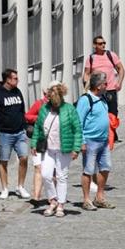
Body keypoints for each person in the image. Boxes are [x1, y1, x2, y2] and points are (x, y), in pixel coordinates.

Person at [30, 83, 81, 217]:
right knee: (46, 174)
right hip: (48, 148)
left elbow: (77, 130)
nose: (52, 102)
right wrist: (34, 144)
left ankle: (61, 205)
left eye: (54, 99)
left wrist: (76, 148)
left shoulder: (69, 109)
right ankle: (53, 199)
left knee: (61, 176)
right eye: (50, 99)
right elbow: (37, 128)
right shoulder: (44, 109)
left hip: (64, 148)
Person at [0, 80, 27, 203]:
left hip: (20, 132)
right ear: (8, 80)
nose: (17, 80)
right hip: (4, 134)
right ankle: (4, 188)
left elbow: (22, 110)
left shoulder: (18, 92)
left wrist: (24, 127)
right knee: (4, 161)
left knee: (24, 158)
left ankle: (20, 186)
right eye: (15, 78)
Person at [74, 86, 111, 212]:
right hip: (90, 140)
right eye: (105, 83)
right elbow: (78, 121)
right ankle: (86, 199)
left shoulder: (103, 98)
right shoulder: (86, 100)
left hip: (103, 140)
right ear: (98, 86)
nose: (107, 86)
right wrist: (81, 141)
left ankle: (99, 197)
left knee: (105, 168)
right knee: (88, 170)